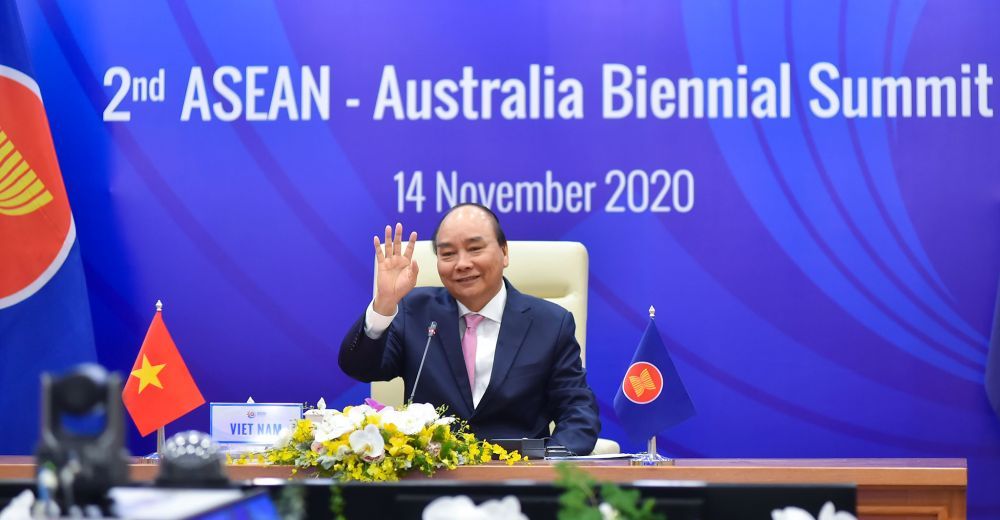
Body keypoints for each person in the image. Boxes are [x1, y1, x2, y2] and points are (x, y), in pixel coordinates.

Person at [339, 203, 600, 455]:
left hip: (519, 474)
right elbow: (361, 368)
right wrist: (384, 304)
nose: (462, 263)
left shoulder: (550, 323)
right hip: (433, 473)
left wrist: (550, 463)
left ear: (504, 252)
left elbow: (577, 411)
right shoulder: (413, 312)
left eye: (475, 249)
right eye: (448, 254)